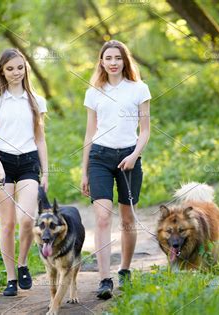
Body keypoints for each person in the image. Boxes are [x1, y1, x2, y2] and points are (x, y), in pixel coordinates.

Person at [80, 40, 151, 299]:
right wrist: (84, 170)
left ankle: (124, 269)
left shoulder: (139, 89)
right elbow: (89, 133)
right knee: (101, 217)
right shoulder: (94, 92)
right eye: (107, 58)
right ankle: (104, 279)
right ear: (101, 61)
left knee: (127, 219)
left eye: (117, 58)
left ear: (124, 61)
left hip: (129, 158)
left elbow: (145, 131)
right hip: (99, 156)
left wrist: (134, 155)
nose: (112, 62)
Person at [0, 48, 48, 296]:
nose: (16, 72)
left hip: (29, 161)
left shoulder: (36, 101)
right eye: (10, 68)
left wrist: (46, 172)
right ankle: (11, 279)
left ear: (25, 69)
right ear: (2, 71)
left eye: (20, 67)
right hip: (2, 164)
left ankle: (23, 264)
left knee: (27, 219)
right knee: (7, 223)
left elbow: (41, 139)